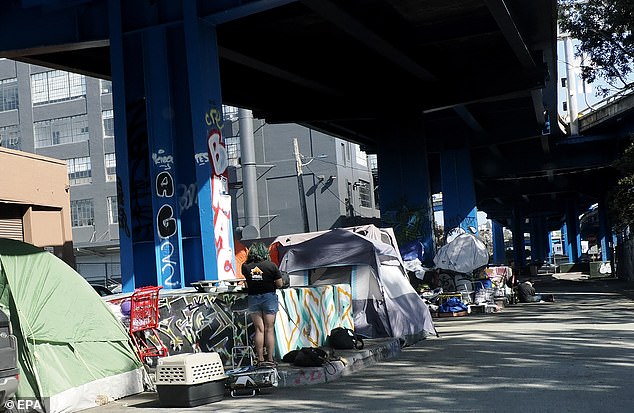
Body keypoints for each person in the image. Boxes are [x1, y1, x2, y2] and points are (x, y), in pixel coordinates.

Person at [242, 242, 283, 367]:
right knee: (269, 329)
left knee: (259, 329)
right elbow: (279, 284)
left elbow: (247, 284)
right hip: (269, 298)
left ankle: (260, 359)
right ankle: (270, 359)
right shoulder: (271, 266)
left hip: (253, 298)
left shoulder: (245, 266)